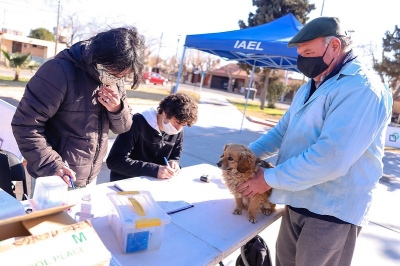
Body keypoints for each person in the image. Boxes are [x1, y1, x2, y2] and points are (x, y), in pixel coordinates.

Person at [237, 17, 392, 266]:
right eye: (300, 53)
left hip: (332, 212)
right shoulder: (312, 85)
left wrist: (265, 179)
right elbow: (282, 132)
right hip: (297, 199)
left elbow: (332, 157)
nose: (302, 60)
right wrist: (244, 159)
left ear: (334, 47)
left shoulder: (362, 88)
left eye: (308, 52)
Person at [11, 27, 145, 190]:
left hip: (89, 178)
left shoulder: (116, 80)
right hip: (55, 176)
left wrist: (117, 109)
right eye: (113, 72)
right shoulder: (58, 71)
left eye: (122, 76)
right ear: (100, 56)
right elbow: (25, 124)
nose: (115, 79)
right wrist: (53, 165)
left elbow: (123, 127)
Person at [106, 93, 198, 181]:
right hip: (125, 184)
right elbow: (114, 161)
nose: (178, 129)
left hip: (154, 184)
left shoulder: (178, 130)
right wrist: (154, 170)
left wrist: (174, 163)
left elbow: (175, 156)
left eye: (183, 125)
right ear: (165, 113)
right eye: (176, 123)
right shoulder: (136, 123)